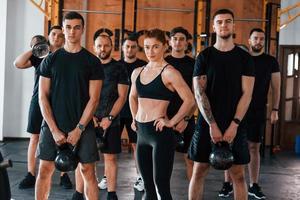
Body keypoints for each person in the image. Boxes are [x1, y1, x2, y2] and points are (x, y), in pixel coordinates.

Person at [35, 11, 104, 200]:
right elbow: (42, 98)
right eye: (68, 27)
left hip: (82, 125)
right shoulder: (51, 60)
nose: (72, 31)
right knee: (45, 170)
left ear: (82, 30)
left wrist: (79, 129)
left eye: (76, 27)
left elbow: (94, 99)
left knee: (88, 171)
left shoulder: (92, 62)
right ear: (63, 29)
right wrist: (54, 130)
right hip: (52, 125)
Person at [188, 9, 255, 200]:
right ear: (214, 26)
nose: (224, 25)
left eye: (228, 21)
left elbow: (247, 94)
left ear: (234, 25)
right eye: (219, 22)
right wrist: (213, 125)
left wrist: (234, 125)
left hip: (236, 122)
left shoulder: (244, 58)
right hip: (207, 123)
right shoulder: (205, 56)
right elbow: (199, 93)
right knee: (199, 171)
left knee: (239, 176)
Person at [129, 28, 195, 200]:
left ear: (165, 47)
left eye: (155, 47)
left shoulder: (169, 72)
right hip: (141, 133)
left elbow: (190, 100)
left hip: (160, 134)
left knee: (162, 186)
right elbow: (132, 97)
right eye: (147, 47)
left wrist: (172, 122)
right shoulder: (138, 71)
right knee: (147, 187)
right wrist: (134, 117)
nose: (151, 51)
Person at [218, 28, 281, 199]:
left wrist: (275, 109)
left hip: (257, 110)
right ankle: (227, 183)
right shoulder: (238, 58)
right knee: (228, 145)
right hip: (234, 109)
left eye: (262, 39)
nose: (258, 41)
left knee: (254, 147)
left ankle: (254, 184)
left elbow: (276, 87)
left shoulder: (270, 61)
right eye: (255, 38)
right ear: (249, 40)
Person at [13, 26, 73, 190]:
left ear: (64, 39)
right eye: (53, 34)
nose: (57, 37)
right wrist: (34, 48)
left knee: (62, 138)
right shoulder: (40, 55)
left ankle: (64, 175)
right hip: (38, 101)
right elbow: (18, 63)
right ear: (48, 36)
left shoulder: (67, 57)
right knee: (34, 137)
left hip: (60, 103)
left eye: (60, 35)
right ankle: (31, 174)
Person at [73, 32, 129, 200]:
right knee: (83, 159)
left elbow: (122, 96)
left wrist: (109, 119)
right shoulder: (87, 65)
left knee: (110, 158)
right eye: (99, 45)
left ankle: (111, 193)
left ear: (112, 47)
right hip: (87, 120)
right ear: (94, 47)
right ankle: (78, 193)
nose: (103, 49)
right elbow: (81, 94)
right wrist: (89, 118)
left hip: (111, 121)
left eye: (106, 45)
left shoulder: (119, 68)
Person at [165, 26, 196, 180]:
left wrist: (185, 119)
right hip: (165, 117)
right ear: (170, 41)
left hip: (186, 118)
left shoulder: (194, 64)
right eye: (175, 39)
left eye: (181, 39)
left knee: (190, 159)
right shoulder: (163, 62)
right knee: (163, 160)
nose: (178, 42)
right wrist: (166, 119)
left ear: (186, 42)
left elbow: (196, 96)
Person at [119, 34, 147, 191]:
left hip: (135, 113)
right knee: (110, 147)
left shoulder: (143, 65)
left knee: (137, 146)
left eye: (133, 47)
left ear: (137, 48)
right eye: (127, 46)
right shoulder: (116, 65)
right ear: (123, 48)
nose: (130, 49)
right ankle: (106, 176)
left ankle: (141, 177)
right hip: (117, 112)